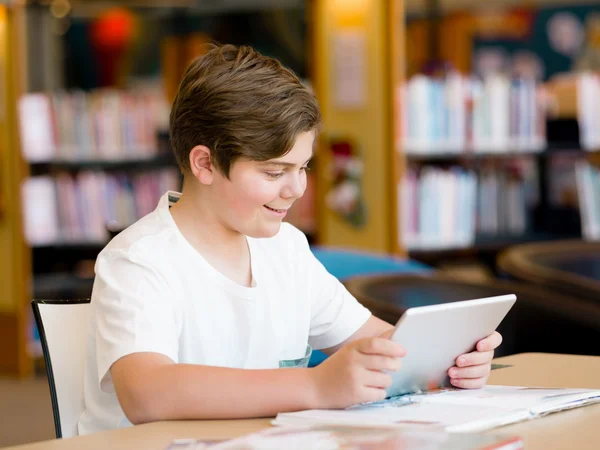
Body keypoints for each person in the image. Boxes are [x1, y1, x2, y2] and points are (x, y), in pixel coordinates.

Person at [78, 44, 502, 435]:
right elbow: (148, 394)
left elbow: (383, 346)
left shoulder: (285, 248)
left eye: (303, 168)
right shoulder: (139, 260)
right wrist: (315, 385)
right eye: (274, 172)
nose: (296, 189)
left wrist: (449, 361)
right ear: (205, 163)